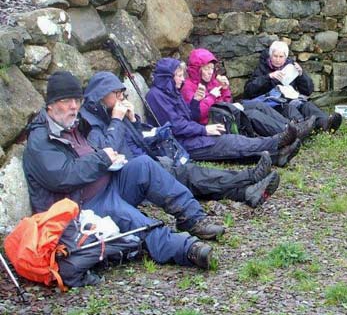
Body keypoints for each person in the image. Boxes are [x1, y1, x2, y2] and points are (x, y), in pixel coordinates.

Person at [23, 71, 222, 270]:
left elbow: (101, 151)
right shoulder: (41, 140)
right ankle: (184, 249)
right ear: (50, 104)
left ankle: (193, 218)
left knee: (143, 165)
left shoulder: (74, 125)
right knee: (131, 218)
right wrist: (102, 158)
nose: (74, 107)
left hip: (108, 184)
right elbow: (63, 177)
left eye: (77, 100)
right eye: (66, 101)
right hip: (83, 206)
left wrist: (109, 155)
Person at [81, 71, 280, 208]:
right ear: (100, 95)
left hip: (150, 163)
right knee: (192, 175)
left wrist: (133, 122)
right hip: (132, 177)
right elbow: (107, 154)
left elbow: (140, 142)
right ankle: (250, 175)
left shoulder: (111, 113)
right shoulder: (92, 123)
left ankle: (247, 193)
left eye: (122, 93)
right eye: (115, 93)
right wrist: (117, 120)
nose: (120, 97)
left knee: (193, 179)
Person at [146, 58, 301, 167]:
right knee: (230, 143)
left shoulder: (171, 91)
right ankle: (277, 141)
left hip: (191, 135)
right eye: (178, 76)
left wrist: (195, 102)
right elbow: (175, 127)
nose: (181, 79)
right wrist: (204, 130)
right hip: (181, 143)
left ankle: (278, 155)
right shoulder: (156, 96)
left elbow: (189, 116)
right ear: (168, 78)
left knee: (232, 146)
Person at [180, 48, 315, 139]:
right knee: (250, 114)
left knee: (256, 105)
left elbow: (226, 102)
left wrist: (225, 89)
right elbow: (196, 114)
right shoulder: (188, 87)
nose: (210, 72)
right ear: (197, 69)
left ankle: (292, 126)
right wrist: (212, 97)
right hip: (212, 123)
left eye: (211, 68)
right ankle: (287, 132)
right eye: (206, 69)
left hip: (224, 113)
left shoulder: (213, 81)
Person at [243, 40, 342, 133]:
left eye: (281, 57)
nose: (277, 60)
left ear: (285, 57)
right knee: (290, 110)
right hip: (274, 104)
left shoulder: (291, 67)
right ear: (270, 56)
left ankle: (325, 124)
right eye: (275, 56)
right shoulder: (262, 68)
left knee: (307, 106)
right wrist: (268, 77)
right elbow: (249, 90)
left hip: (293, 100)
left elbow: (308, 90)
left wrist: (301, 74)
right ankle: (303, 130)